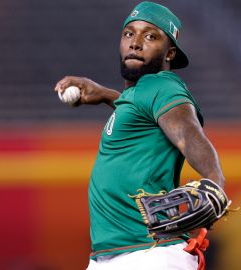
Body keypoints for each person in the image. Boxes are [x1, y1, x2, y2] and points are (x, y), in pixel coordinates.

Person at [54, 2, 225, 269]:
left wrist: (214, 179)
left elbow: (188, 134)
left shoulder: (162, 86)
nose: (135, 43)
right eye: (129, 33)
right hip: (116, 254)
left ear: (169, 54)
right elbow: (142, 112)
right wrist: (106, 95)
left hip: (150, 253)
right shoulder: (140, 95)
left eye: (150, 36)